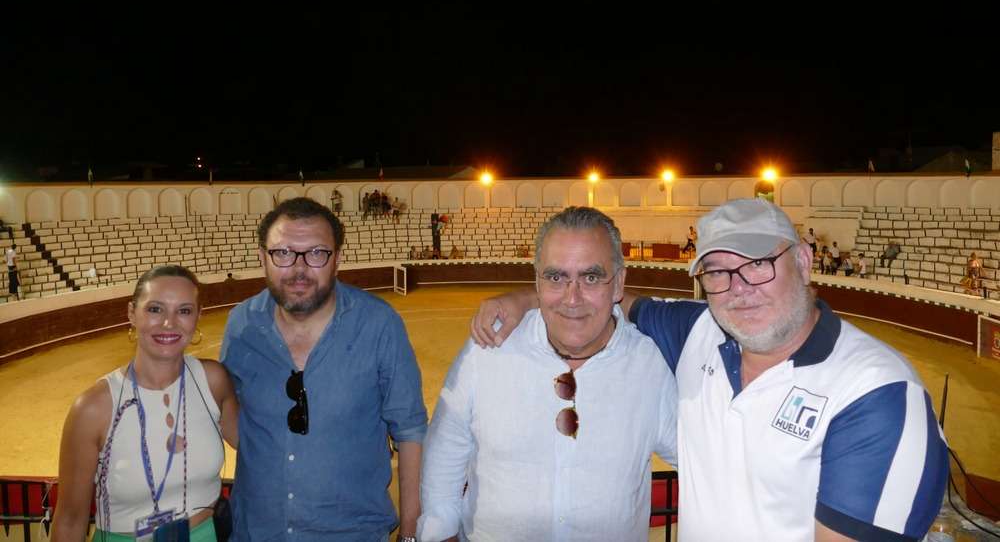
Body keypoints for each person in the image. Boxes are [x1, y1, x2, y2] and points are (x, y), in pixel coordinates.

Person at [471, 199, 949, 542]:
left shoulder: (877, 394)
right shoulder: (698, 330)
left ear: (804, 262)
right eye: (718, 271)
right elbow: (601, 297)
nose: (739, 288)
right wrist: (527, 298)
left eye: (758, 263)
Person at [419, 207, 677, 541]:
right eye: (556, 277)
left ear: (618, 284)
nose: (572, 298)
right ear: (537, 282)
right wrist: (438, 532)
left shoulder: (649, 364)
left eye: (591, 277)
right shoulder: (489, 349)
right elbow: (445, 451)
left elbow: (700, 460)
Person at [221, 197, 426, 541]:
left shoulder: (379, 323)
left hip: (352, 533)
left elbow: (410, 431)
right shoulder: (241, 324)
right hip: (257, 531)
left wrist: (409, 534)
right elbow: (233, 415)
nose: (299, 269)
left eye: (316, 253)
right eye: (283, 253)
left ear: (337, 259)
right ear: (262, 258)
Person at [51, 265, 239, 542]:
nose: (169, 323)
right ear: (132, 313)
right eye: (155, 309)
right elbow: (69, 521)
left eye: (184, 311)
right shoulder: (93, 408)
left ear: (199, 316)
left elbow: (257, 445)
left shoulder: (213, 380)